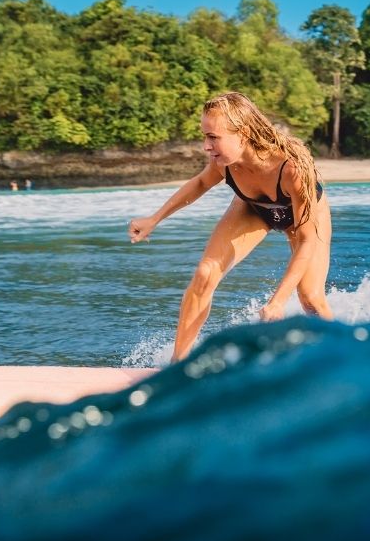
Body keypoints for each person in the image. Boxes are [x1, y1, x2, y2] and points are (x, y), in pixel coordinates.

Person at [128, 91, 333, 362]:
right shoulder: (223, 164)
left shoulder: (291, 168)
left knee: (310, 297)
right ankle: (178, 366)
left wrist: (278, 301)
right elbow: (200, 183)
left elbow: (307, 240)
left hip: (304, 219)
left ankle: (345, 357)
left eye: (213, 137)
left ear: (243, 132)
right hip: (254, 209)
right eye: (205, 136)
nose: (206, 145)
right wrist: (154, 219)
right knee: (204, 273)